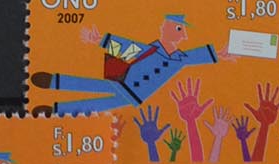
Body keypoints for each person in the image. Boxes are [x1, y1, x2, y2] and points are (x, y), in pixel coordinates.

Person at [31, 11, 219, 112]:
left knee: (98, 105)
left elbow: (197, 55)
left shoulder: (180, 58)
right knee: (91, 86)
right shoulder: (152, 49)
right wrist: (100, 41)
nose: (183, 35)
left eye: (182, 30)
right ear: (165, 28)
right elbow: (127, 49)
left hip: (135, 95)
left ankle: (55, 108)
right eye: (179, 29)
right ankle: (53, 82)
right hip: (125, 82)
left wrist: (219, 53)